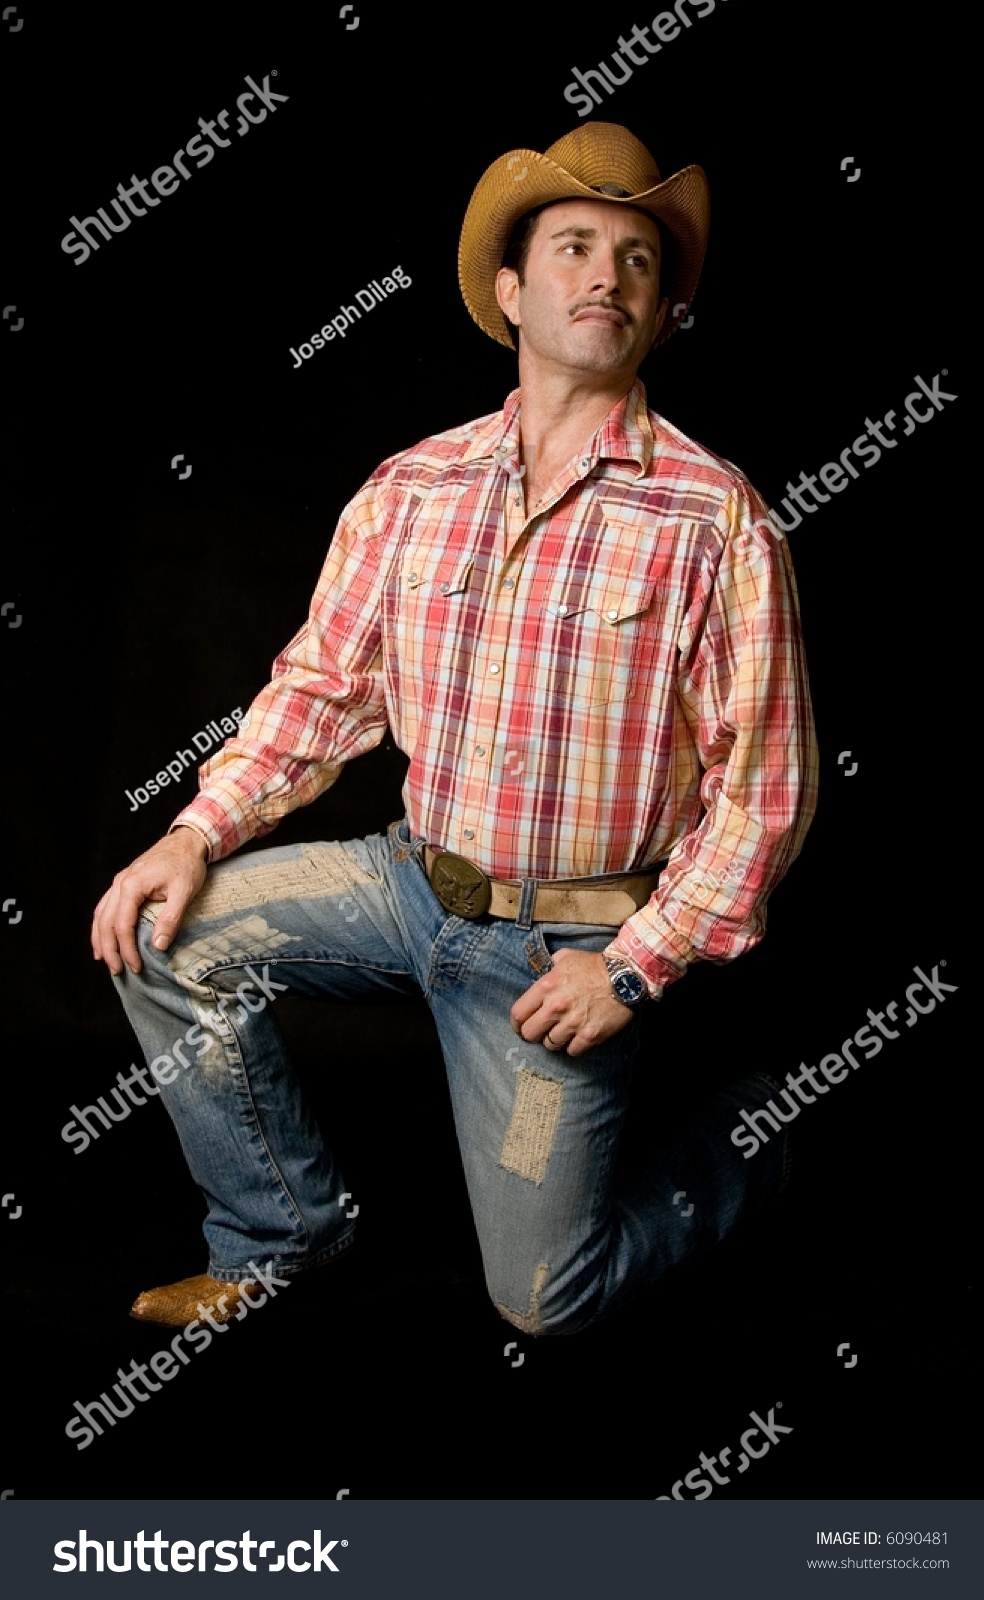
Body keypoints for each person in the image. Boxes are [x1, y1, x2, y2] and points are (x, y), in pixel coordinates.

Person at [91, 122, 818, 1334]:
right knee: (164, 930)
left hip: (559, 957)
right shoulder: (409, 488)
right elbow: (324, 689)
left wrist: (633, 970)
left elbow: (765, 794)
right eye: (575, 247)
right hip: (403, 885)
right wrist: (193, 832)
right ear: (508, 289)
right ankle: (280, 1231)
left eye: (637, 260)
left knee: (543, 1297)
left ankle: (759, 1133)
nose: (605, 276)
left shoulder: (714, 517)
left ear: (658, 309)